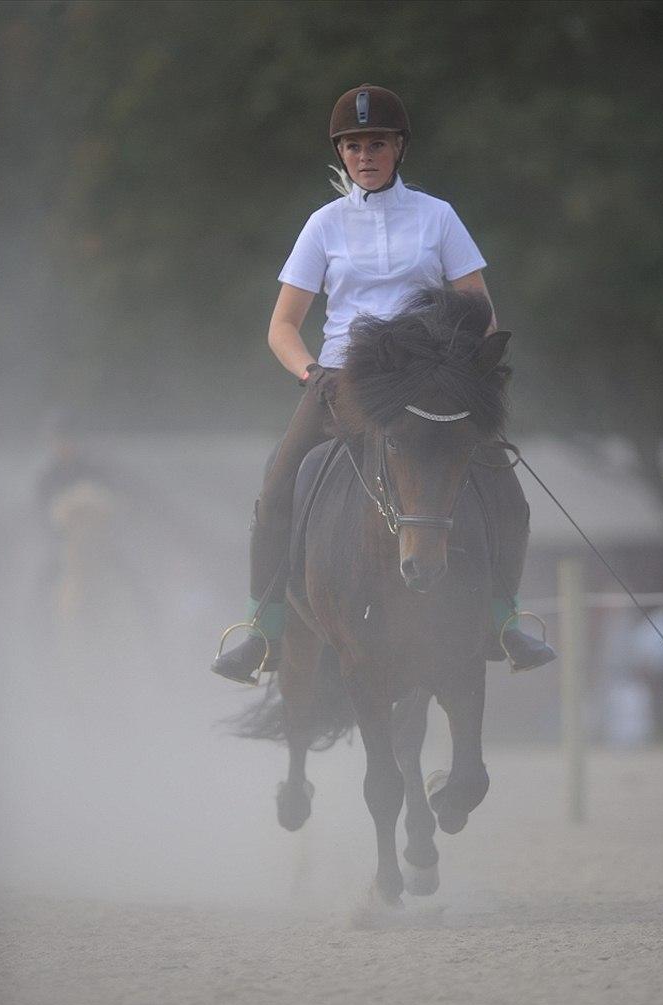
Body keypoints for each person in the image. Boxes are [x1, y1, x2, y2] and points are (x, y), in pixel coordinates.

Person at [212, 83, 555, 683]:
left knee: (507, 492)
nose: (364, 155)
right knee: (277, 484)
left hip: (429, 383)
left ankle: (505, 618)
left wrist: (468, 370)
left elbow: (481, 310)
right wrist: (311, 372)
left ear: (398, 148)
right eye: (352, 146)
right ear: (341, 155)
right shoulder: (323, 226)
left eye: (376, 143)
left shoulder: (438, 217)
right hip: (347, 383)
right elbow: (283, 327)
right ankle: (260, 628)